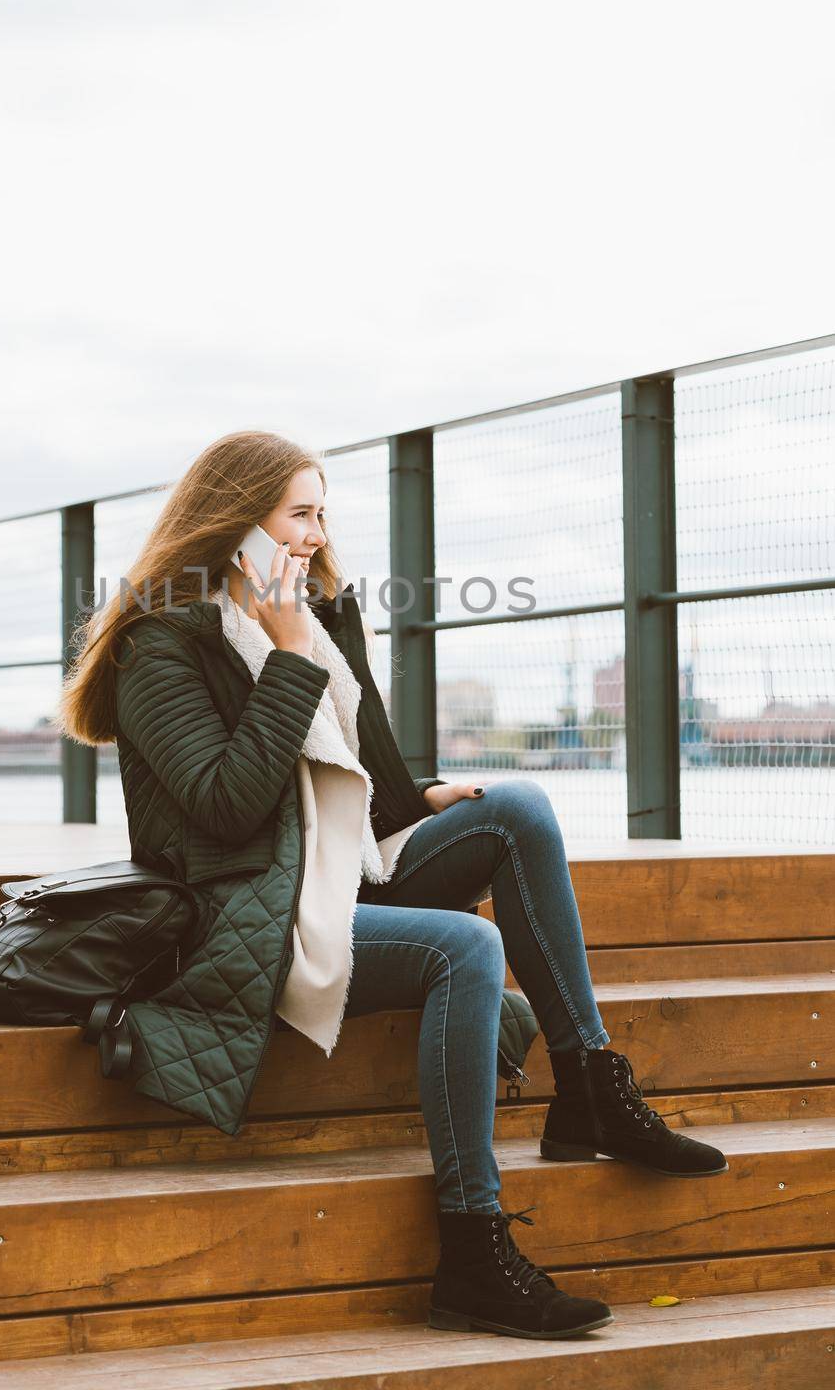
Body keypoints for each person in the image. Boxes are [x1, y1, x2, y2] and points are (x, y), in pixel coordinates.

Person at [56, 429, 728, 1344]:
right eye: (298, 512)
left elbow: (364, 789)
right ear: (233, 521)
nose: (314, 533)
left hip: (335, 878)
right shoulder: (159, 643)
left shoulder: (325, 613)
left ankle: (589, 1086)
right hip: (239, 914)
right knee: (469, 945)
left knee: (516, 808)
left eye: (321, 511)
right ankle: (471, 1250)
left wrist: (419, 797)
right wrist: (290, 653)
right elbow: (223, 808)